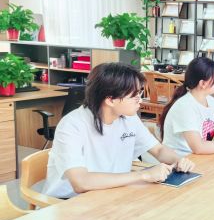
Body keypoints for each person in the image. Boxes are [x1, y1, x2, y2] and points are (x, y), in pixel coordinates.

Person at [43, 63, 195, 199]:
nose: (140, 100)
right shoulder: (72, 125)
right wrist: (144, 175)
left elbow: (159, 150)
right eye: (134, 96)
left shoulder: (129, 118)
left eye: (140, 93)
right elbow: (81, 183)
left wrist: (178, 161)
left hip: (111, 194)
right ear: (110, 100)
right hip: (69, 202)